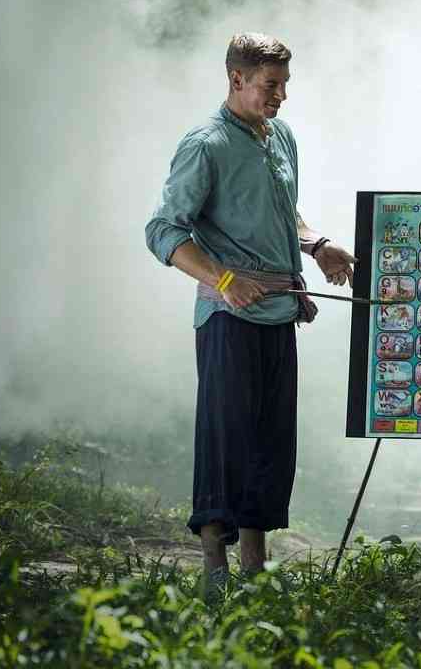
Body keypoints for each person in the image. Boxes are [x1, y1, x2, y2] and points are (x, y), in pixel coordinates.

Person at [144, 33, 356, 592]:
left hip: (279, 313)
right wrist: (225, 280)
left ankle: (255, 573)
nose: (281, 95)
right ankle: (215, 572)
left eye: (284, 84)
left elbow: (283, 212)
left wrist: (316, 246)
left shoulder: (279, 135)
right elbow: (164, 231)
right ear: (237, 79)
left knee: (270, 441)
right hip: (227, 317)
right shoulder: (205, 144)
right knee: (226, 437)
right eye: (271, 85)